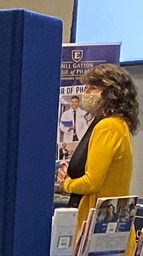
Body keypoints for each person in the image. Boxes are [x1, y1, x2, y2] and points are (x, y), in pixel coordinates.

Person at [56, 64, 138, 232]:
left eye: (93, 87)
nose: (85, 92)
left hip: (97, 225)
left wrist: (67, 185)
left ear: (112, 93)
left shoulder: (108, 126)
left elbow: (91, 183)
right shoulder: (114, 124)